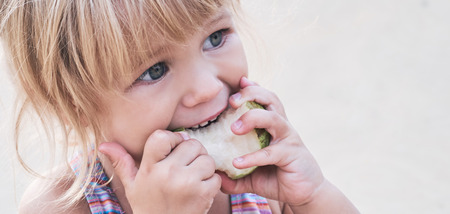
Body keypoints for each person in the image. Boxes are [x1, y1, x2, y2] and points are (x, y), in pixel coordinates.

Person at [0, 0, 359, 213]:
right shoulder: (58, 206)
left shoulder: (259, 176)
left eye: (215, 38)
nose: (206, 88)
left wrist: (313, 195)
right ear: (76, 108)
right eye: (154, 70)